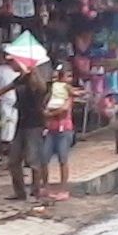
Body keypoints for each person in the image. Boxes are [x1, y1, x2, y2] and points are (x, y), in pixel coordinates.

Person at [0, 58, 47, 200]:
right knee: (14, 160)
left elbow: (40, 90)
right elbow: (7, 88)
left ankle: (36, 190)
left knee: (33, 159)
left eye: (13, 62)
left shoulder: (36, 82)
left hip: (34, 124)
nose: (11, 64)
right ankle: (19, 192)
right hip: (21, 124)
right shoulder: (20, 79)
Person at [41, 64, 80, 201]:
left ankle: (63, 190)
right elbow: (44, 105)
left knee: (63, 160)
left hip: (64, 129)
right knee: (44, 159)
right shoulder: (54, 91)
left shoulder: (68, 94)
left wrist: (49, 114)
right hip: (52, 130)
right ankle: (45, 187)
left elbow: (64, 109)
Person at [0, 46, 20, 153]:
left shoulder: (21, 69)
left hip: (19, 103)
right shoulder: (0, 70)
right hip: (5, 103)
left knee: (15, 128)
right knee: (5, 128)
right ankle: (4, 151)